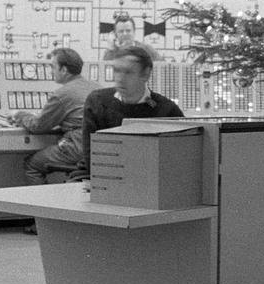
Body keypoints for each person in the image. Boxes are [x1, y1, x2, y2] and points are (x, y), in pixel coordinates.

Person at [79, 41, 186, 169]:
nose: (120, 78)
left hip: (149, 180)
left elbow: (177, 161)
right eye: (117, 71)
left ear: (145, 74)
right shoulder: (97, 102)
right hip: (101, 175)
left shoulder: (167, 111)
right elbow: (91, 157)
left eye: (128, 72)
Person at [14, 46, 93, 185]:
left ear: (63, 70)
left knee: (32, 165)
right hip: (96, 148)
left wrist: (18, 114)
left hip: (76, 147)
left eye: (53, 67)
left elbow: (38, 126)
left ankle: (41, 205)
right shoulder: (96, 87)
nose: (51, 72)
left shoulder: (62, 94)